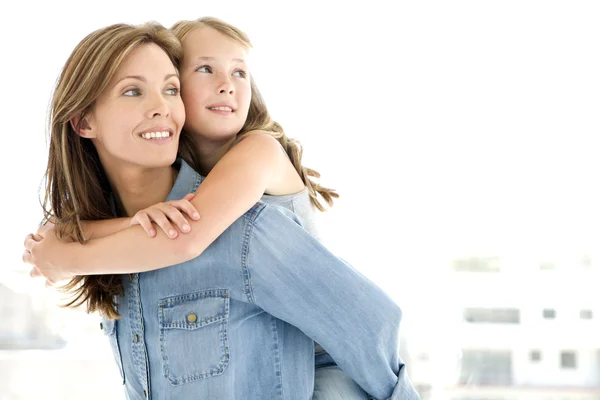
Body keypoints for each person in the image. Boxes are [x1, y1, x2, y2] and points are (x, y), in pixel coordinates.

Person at [23, 21, 419, 400]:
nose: (162, 107)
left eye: (170, 89)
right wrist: (76, 244)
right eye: (132, 91)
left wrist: (66, 257)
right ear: (83, 122)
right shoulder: (112, 243)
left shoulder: (244, 222)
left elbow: (372, 325)